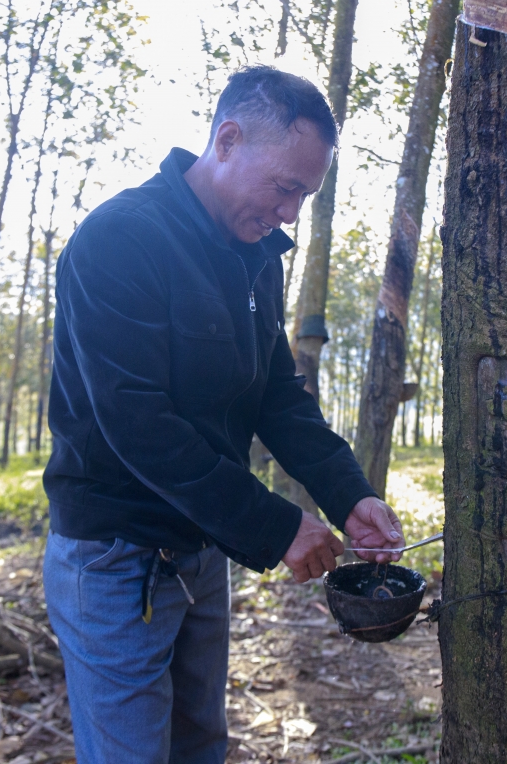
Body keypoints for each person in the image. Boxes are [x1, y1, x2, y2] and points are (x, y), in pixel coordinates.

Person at [42, 65, 404, 764]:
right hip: (116, 559)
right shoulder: (120, 240)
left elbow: (276, 395)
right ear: (228, 140)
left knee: (201, 744)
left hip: (201, 551)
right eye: (285, 186)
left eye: (305, 194)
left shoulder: (255, 256)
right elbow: (136, 423)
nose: (291, 212)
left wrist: (349, 494)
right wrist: (274, 525)